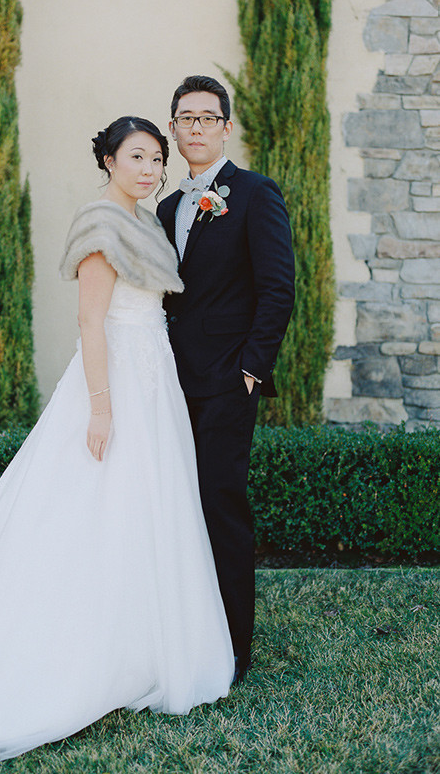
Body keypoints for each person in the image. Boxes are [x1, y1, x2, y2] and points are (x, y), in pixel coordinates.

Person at [0, 116, 234, 767]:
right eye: (136, 156)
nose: (151, 168)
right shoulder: (99, 223)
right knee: (94, 509)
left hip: (156, 380)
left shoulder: (147, 221)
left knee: (147, 510)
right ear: (109, 160)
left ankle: (144, 641)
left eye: (157, 157)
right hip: (116, 378)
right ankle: (84, 649)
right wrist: (101, 408)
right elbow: (91, 322)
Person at [157, 76, 295, 684]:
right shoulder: (166, 207)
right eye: (185, 118)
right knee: (174, 508)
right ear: (173, 128)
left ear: (225, 127)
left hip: (225, 382)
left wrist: (249, 371)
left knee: (221, 505)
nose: (196, 127)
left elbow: (278, 290)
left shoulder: (256, 194)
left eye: (207, 118)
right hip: (167, 382)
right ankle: (183, 631)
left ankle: (235, 648)